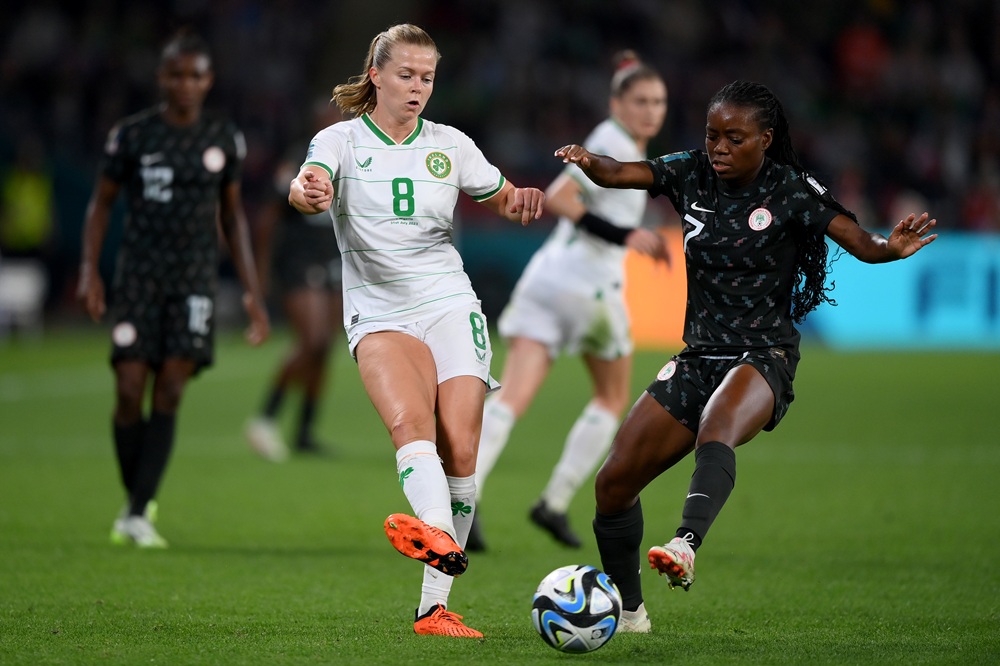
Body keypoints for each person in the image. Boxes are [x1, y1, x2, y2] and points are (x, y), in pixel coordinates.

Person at [554, 80, 937, 633]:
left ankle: (685, 544)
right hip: (699, 356)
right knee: (612, 484)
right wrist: (590, 162)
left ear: (765, 139)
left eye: (735, 138)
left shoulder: (792, 190)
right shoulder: (691, 173)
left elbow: (861, 242)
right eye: (713, 136)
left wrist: (889, 247)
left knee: (717, 426)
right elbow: (621, 173)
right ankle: (631, 613)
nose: (720, 148)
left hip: (765, 354)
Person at [287, 24, 544, 638]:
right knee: (410, 426)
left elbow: (502, 196)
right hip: (376, 309)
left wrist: (522, 200)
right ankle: (435, 533)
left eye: (427, 78)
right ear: (375, 74)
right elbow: (305, 187)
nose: (418, 88)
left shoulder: (450, 145)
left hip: (449, 301)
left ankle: (433, 609)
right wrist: (307, 192)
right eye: (406, 75)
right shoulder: (340, 140)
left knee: (461, 445)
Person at [76, 28, 270, 548]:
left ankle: (137, 510)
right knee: (126, 389)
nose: (186, 84)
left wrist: (252, 292)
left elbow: (233, 220)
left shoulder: (223, 138)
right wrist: (89, 272)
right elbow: (100, 206)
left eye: (197, 75)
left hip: (193, 281)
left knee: (171, 389)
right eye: (177, 74)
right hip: (138, 277)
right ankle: (138, 502)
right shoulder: (133, 136)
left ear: (209, 81)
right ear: (162, 78)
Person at [470, 51, 670, 551]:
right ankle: (554, 501)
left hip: (546, 279)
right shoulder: (609, 141)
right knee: (610, 397)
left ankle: (463, 500)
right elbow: (560, 198)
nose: (651, 110)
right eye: (640, 100)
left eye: (658, 101)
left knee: (511, 396)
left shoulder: (616, 142)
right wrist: (625, 234)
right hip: (589, 287)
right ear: (616, 104)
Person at [245, 104, 345, 462]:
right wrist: (261, 268)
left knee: (324, 348)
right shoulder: (299, 159)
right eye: (328, 119)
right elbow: (270, 216)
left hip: (334, 258)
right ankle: (265, 418)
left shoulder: (352, 157)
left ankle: (304, 432)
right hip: (299, 259)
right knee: (312, 339)